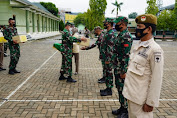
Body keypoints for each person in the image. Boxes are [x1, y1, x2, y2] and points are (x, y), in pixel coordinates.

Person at [123, 14, 164, 118]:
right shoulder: (139, 45)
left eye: (140, 27)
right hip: (132, 96)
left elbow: (157, 78)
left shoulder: (155, 50)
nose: (137, 29)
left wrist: (151, 102)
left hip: (141, 101)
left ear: (149, 29)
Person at [112, 17, 133, 118]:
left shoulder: (126, 36)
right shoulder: (120, 34)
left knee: (123, 88)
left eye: (117, 23)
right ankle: (122, 107)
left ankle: (125, 110)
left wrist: (123, 70)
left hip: (122, 67)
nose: (116, 25)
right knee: (119, 87)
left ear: (123, 24)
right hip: (117, 65)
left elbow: (125, 55)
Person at [100, 18, 116, 96]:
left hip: (108, 58)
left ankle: (109, 89)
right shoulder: (107, 33)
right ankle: (107, 88)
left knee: (109, 73)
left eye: (105, 23)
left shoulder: (111, 34)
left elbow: (110, 47)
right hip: (105, 57)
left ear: (109, 24)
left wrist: (108, 59)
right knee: (107, 73)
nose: (104, 24)